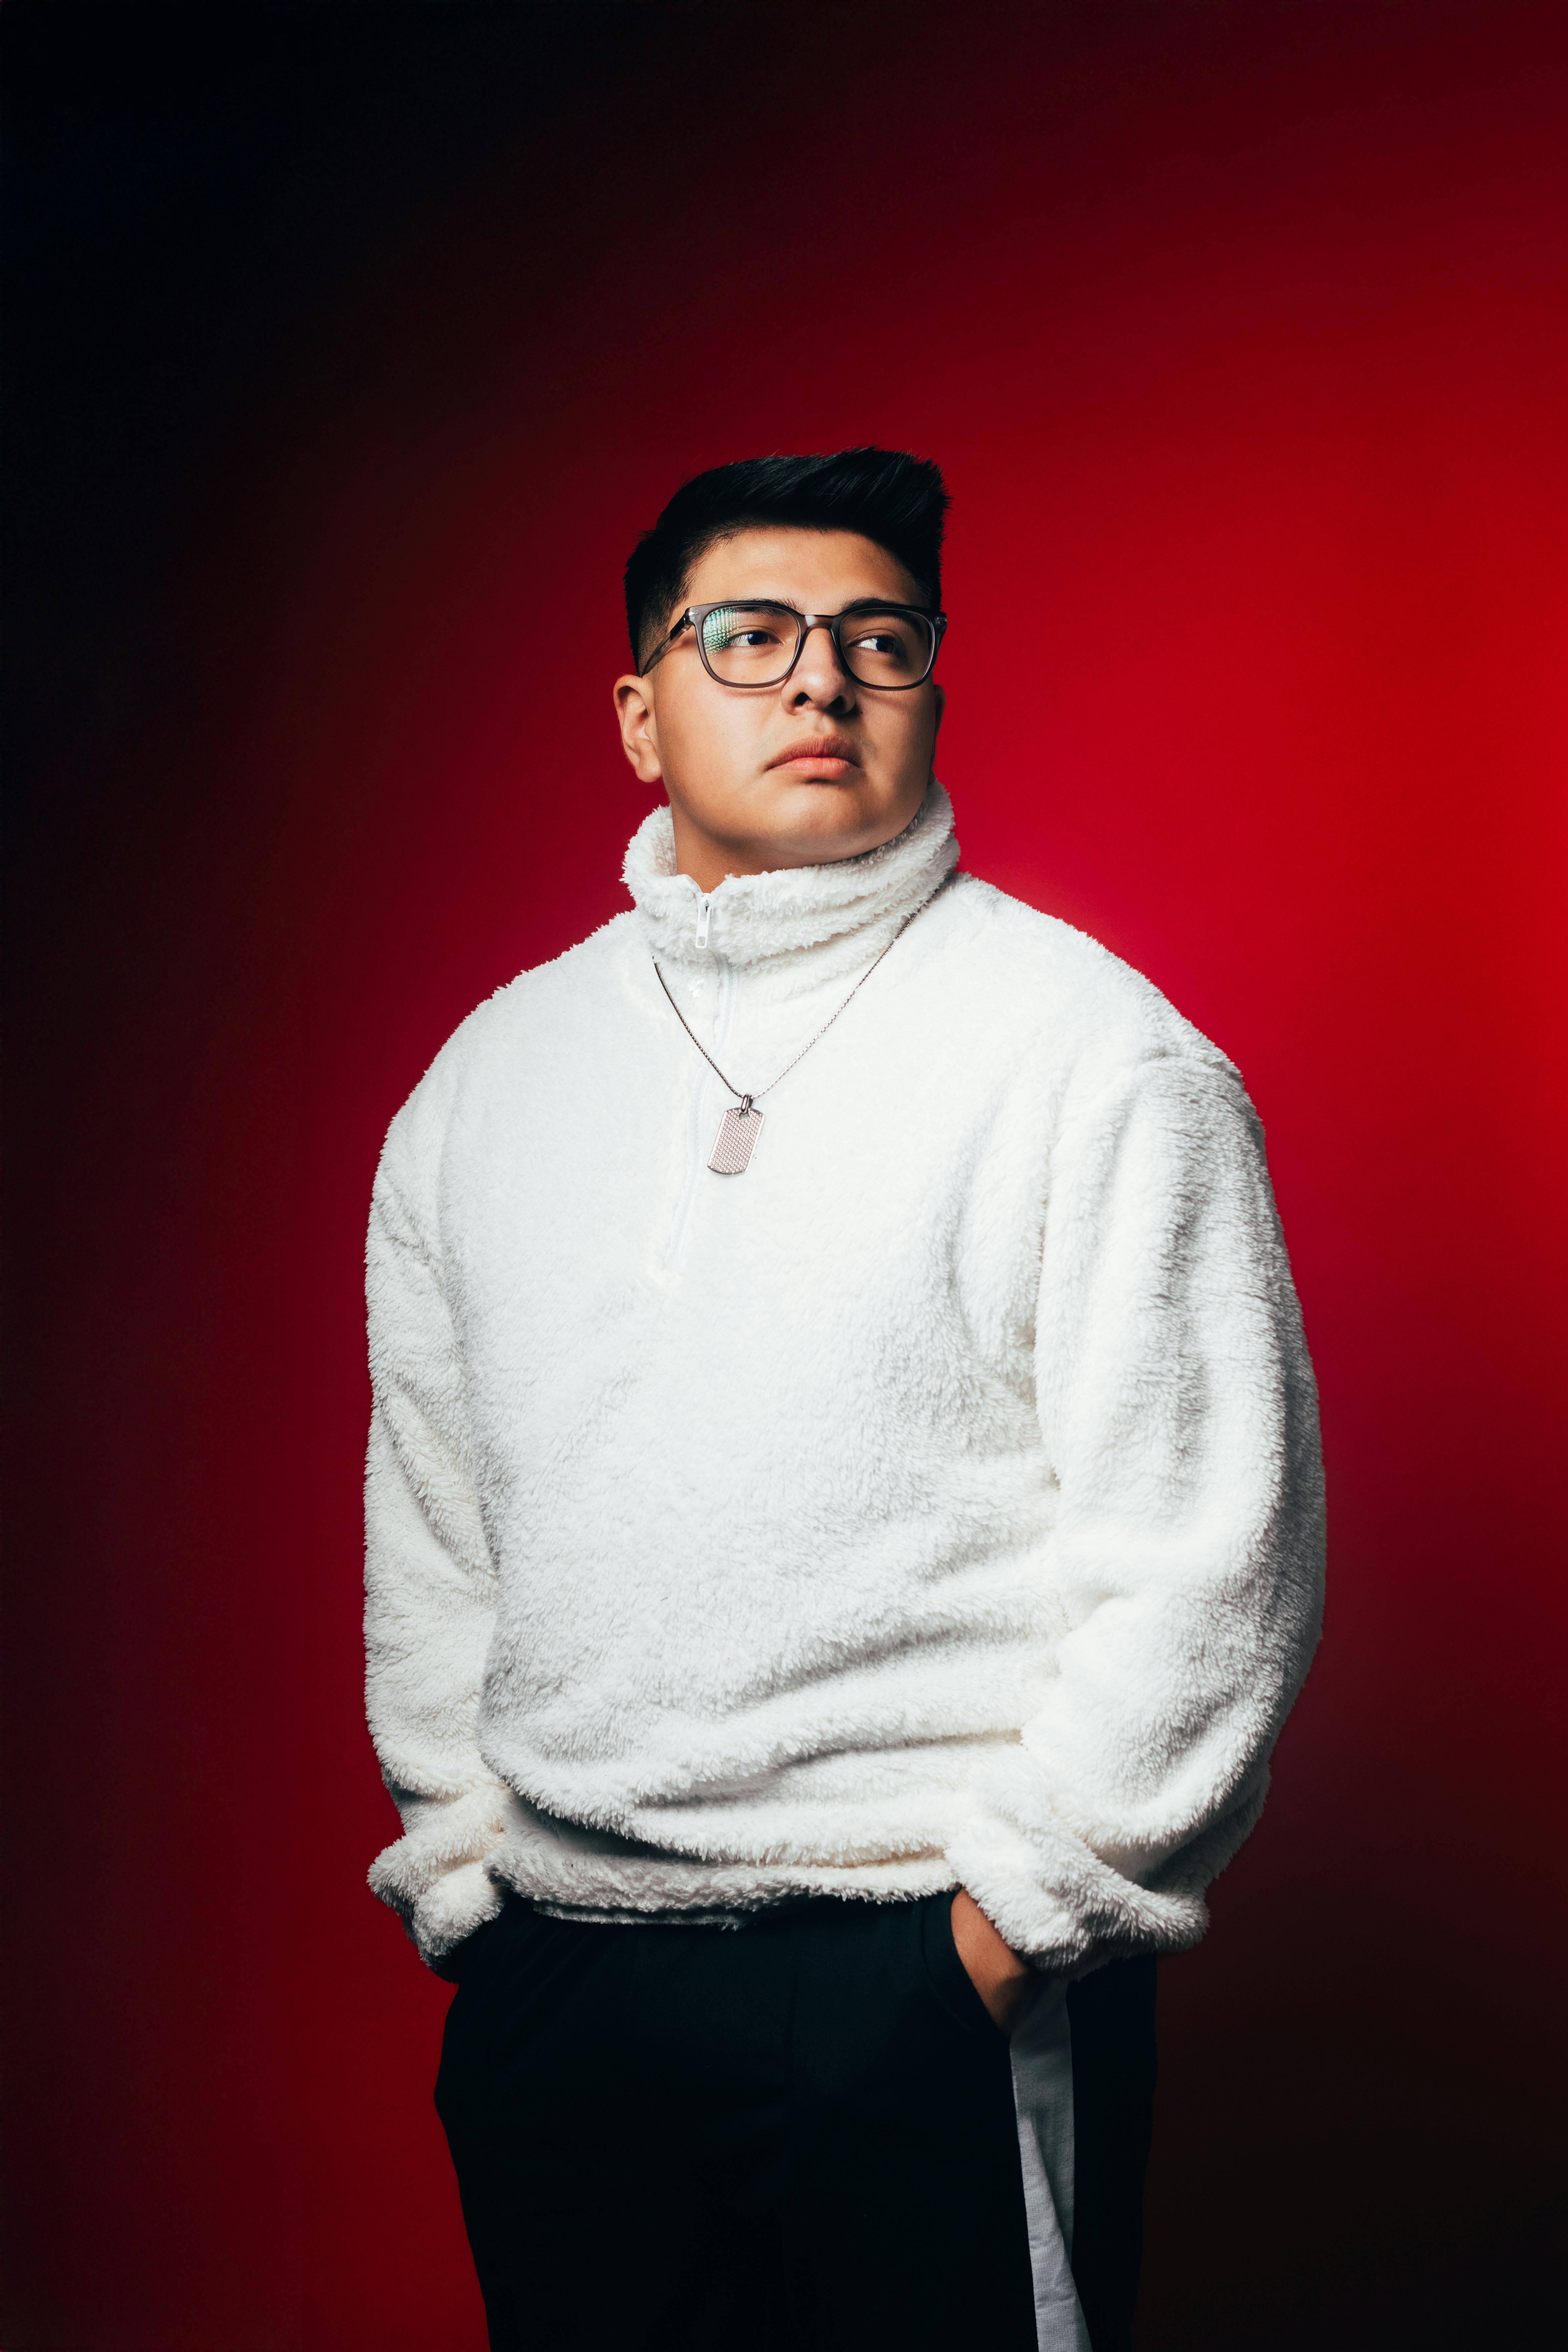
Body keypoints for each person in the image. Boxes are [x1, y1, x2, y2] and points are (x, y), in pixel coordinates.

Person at [362, 447, 1324, 2352]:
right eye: (752, 634)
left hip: (921, 1978)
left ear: (928, 692)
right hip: (566, 1989)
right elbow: (436, 1523)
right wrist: (471, 1880)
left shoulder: (1095, 1056)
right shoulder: (488, 1081)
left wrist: (1006, 1934)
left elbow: (1213, 1558)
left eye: (882, 638)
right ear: (641, 715)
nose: (823, 676)